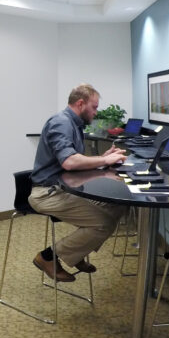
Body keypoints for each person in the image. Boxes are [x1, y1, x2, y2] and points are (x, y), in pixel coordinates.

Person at [29, 84, 128, 282]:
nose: (96, 112)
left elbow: (73, 162)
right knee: (104, 223)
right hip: (47, 193)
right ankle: (47, 257)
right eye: (94, 107)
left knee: (117, 203)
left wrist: (102, 158)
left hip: (65, 189)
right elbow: (69, 162)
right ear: (81, 103)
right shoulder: (61, 123)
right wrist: (104, 161)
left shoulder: (74, 124)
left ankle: (78, 252)